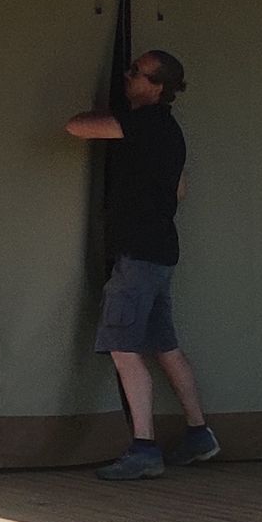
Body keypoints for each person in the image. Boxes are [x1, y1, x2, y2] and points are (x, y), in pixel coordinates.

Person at [65, 50, 219, 479]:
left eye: (137, 73)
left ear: (157, 87)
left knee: (125, 350)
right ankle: (198, 433)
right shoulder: (171, 132)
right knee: (165, 348)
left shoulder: (145, 123)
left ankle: (144, 447)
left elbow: (77, 127)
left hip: (136, 255)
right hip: (161, 252)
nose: (127, 75)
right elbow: (181, 190)